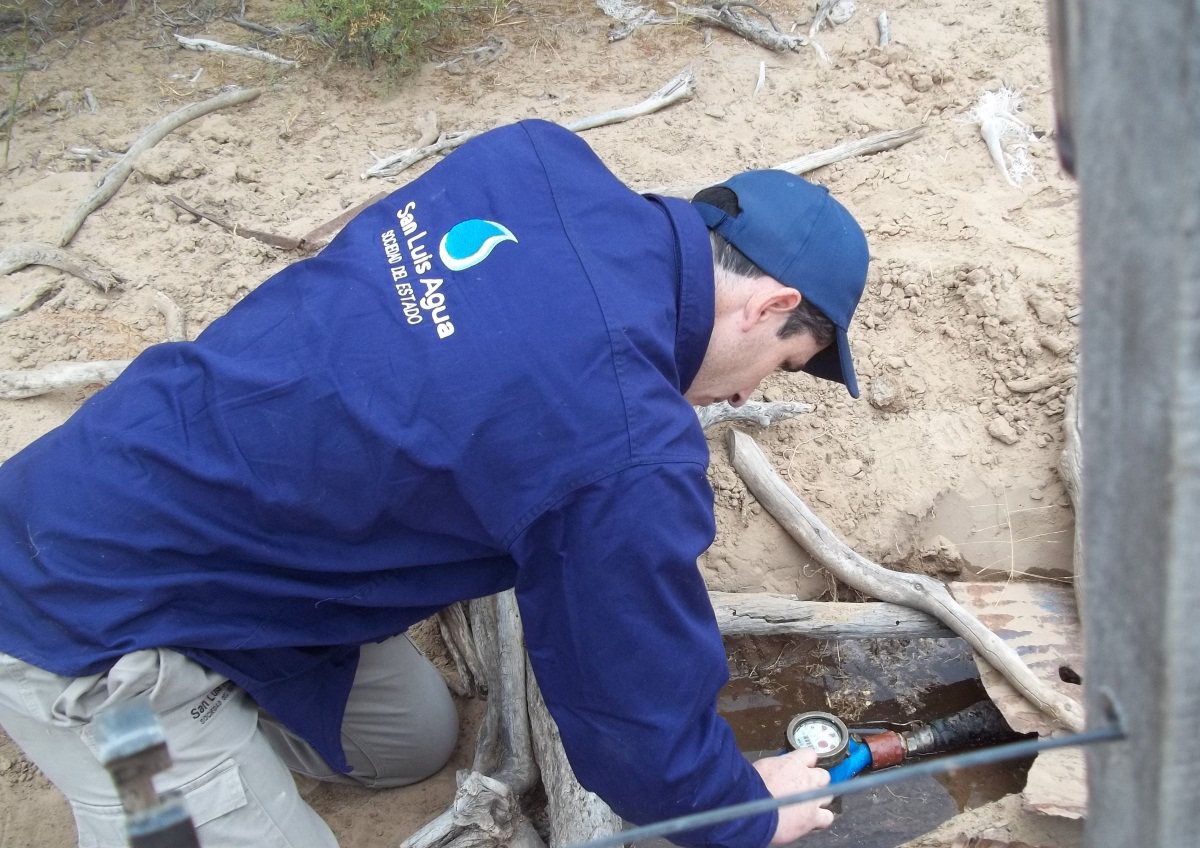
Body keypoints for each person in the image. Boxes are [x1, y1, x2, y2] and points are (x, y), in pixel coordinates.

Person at [0, 119, 868, 848]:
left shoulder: (530, 160)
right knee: (166, 819)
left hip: (193, 521)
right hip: (77, 631)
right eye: (785, 363)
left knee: (407, 741)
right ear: (767, 304)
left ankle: (231, 699)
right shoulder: (622, 439)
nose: (750, 394)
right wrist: (734, 812)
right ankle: (162, 779)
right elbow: (625, 694)